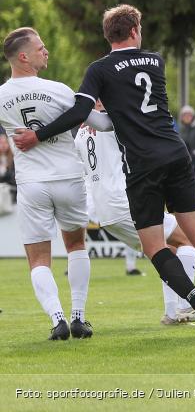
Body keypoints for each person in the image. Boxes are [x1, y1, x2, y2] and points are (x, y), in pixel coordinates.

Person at [12, 5, 195, 336]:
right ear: (135, 30)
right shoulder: (156, 61)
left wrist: (38, 133)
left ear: (109, 34)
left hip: (142, 164)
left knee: (154, 247)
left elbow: (85, 111)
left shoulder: (100, 70)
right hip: (175, 152)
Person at [0, 27, 114, 340]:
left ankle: (57, 319)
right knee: (76, 246)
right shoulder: (60, 90)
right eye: (41, 48)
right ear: (23, 56)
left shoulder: (2, 95)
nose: (46, 51)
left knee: (37, 259)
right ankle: (79, 317)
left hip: (32, 184)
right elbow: (102, 124)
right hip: (69, 178)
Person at [74, 103, 195, 325]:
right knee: (187, 238)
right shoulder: (115, 120)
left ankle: (172, 313)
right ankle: (185, 307)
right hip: (123, 200)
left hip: (101, 208)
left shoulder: (81, 132)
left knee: (167, 249)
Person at [0, 133, 16, 215]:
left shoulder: (13, 158)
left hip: (12, 195)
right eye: (1, 143)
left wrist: (6, 172)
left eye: (5, 142)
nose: (3, 145)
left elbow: (14, 177)